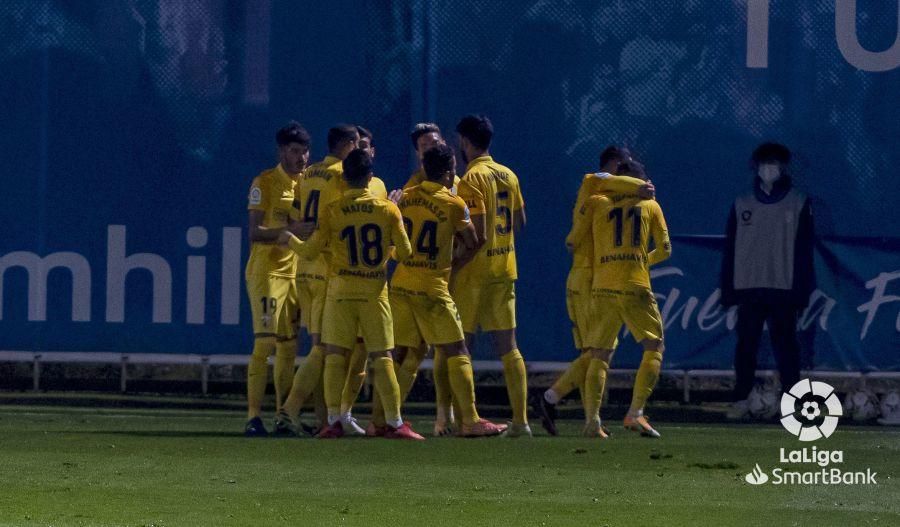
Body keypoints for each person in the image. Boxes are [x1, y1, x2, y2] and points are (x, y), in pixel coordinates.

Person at [279, 149, 424, 440]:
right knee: (382, 357)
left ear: (344, 178)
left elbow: (309, 250)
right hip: (374, 293)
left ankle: (332, 421)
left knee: (334, 356)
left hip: (341, 292)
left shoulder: (333, 211)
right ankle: (395, 423)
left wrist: (289, 239)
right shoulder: (387, 209)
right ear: (370, 176)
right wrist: (386, 251)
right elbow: (406, 254)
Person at [372, 143, 507, 437]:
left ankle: (380, 420)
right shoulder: (453, 204)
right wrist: (455, 264)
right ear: (448, 173)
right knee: (456, 349)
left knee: (402, 352)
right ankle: (470, 420)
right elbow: (472, 240)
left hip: (402, 284)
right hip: (433, 287)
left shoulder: (404, 198)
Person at [537, 146, 655, 436]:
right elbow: (599, 180)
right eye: (623, 167)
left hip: (599, 277)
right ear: (613, 165)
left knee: (600, 352)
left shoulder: (609, 196)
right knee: (597, 352)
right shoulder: (595, 184)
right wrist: (641, 186)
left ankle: (572, 410)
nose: (627, 174)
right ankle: (561, 404)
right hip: (589, 277)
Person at [567, 160, 671, 438]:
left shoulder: (597, 202)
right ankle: (635, 413)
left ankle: (592, 421)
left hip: (601, 287)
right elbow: (665, 249)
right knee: (654, 346)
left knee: (599, 354)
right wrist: (641, 262)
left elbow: (574, 240)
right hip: (635, 285)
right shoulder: (651, 205)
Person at [721, 142, 815, 420]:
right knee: (745, 346)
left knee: (787, 347)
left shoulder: (798, 201)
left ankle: (795, 402)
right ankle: (741, 398)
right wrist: (729, 289)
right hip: (749, 287)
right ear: (756, 166)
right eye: (764, 163)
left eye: (774, 163)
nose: (769, 168)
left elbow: (804, 250)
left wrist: (801, 290)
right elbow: (731, 247)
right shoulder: (742, 203)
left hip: (783, 288)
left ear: (784, 167)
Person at [452, 114, 531, 437]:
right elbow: (520, 220)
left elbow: (474, 231)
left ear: (467, 143)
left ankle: (464, 418)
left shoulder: (470, 178)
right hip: (505, 268)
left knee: (460, 346)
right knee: (509, 347)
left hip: (474, 272)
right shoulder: (508, 174)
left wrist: (456, 261)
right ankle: (521, 421)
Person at [277, 124, 358, 435]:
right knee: (325, 348)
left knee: (319, 348)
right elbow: (342, 215)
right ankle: (290, 408)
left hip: (304, 267)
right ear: (348, 145)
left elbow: (295, 218)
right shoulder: (341, 175)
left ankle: (324, 422)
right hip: (325, 266)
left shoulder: (309, 174)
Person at [243, 122, 310, 437]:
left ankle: (284, 416)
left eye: (304, 151)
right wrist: (285, 233)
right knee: (265, 343)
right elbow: (254, 232)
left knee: (288, 346)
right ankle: (253, 417)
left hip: (294, 273)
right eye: (295, 151)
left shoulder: (307, 184)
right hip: (267, 273)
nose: (301, 158)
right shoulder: (266, 182)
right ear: (282, 151)